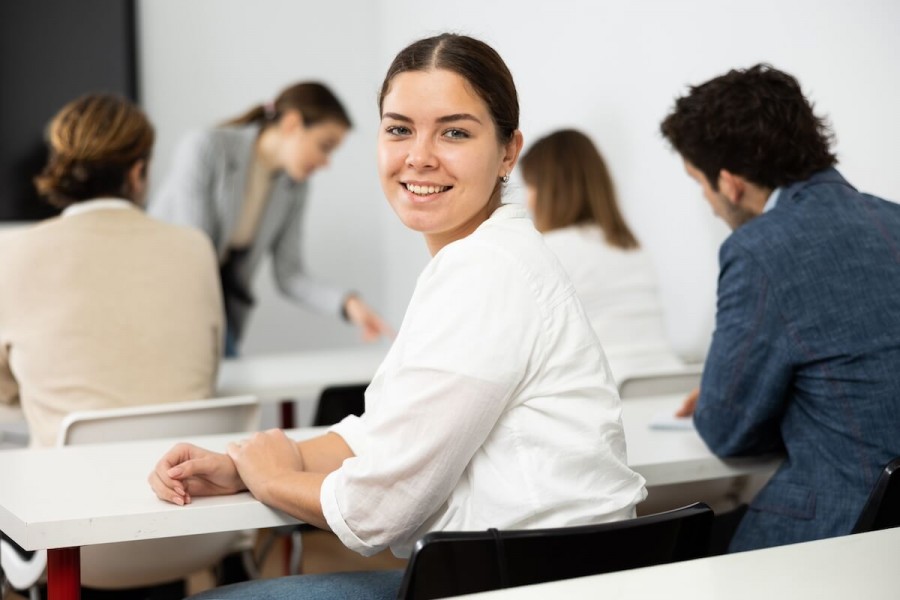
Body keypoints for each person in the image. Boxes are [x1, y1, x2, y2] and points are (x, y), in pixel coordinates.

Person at [149, 33, 647, 599]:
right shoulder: (476, 260)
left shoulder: (489, 271)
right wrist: (244, 463)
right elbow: (381, 433)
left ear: (509, 152)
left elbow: (378, 511)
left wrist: (272, 477)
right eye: (399, 129)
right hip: (522, 571)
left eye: (454, 132)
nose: (419, 155)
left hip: (526, 583)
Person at [661, 64, 900, 552]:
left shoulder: (758, 249)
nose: (706, 202)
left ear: (729, 183)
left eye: (698, 184)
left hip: (838, 531)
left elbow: (727, 431)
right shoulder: (893, 219)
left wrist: (719, 392)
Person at [0, 93, 223, 448]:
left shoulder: (11, 252)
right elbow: (209, 369)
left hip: (62, 493)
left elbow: (6, 389)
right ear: (137, 172)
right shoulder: (195, 247)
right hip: (186, 485)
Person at [149, 81, 390, 355]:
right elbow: (193, 253)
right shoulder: (206, 148)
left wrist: (348, 305)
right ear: (291, 124)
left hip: (217, 308)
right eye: (325, 146)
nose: (326, 162)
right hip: (167, 300)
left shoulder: (294, 187)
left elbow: (290, 274)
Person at [519, 128, 683, 381]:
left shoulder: (548, 251)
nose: (527, 200)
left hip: (608, 397)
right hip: (665, 388)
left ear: (549, 189)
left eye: (530, 186)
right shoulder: (632, 248)